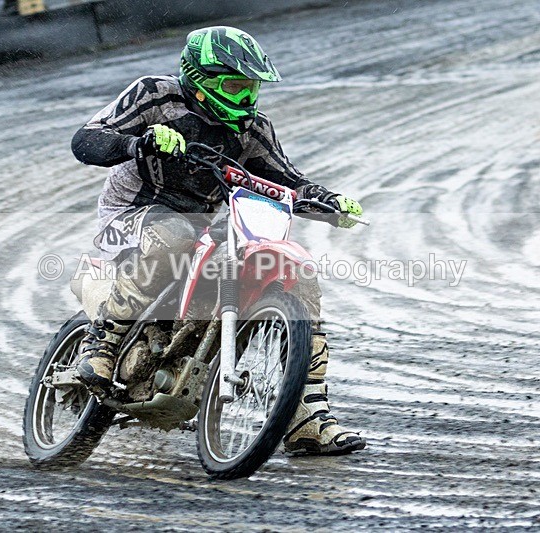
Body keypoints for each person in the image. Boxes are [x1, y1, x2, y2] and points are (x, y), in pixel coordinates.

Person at [70, 26, 366, 455]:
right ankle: (104, 342)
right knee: (173, 235)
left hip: (204, 224)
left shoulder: (253, 128)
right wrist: (141, 142)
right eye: (234, 86)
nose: (246, 99)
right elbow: (86, 140)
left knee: (296, 278)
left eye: (252, 88)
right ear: (200, 78)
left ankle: (306, 417)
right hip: (131, 212)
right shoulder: (154, 94)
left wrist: (328, 201)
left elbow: (288, 180)